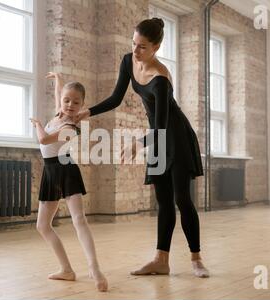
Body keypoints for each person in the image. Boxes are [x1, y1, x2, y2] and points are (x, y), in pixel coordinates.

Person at [76, 18, 210, 278]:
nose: (136, 52)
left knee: (182, 198)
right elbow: (116, 98)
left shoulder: (160, 78)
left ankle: (196, 259)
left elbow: (161, 125)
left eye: (142, 47)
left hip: (176, 138)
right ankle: (161, 260)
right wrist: (87, 112)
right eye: (134, 44)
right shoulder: (128, 61)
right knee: (163, 201)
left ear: (156, 48)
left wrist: (138, 144)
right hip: (156, 138)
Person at [31, 72, 108, 292]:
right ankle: (66, 269)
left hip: (65, 169)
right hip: (50, 171)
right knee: (42, 225)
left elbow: (44, 139)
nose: (70, 105)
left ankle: (95, 268)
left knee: (78, 220)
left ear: (83, 105)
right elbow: (59, 94)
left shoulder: (70, 127)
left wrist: (37, 123)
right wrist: (58, 80)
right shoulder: (58, 113)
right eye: (67, 100)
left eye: (76, 102)